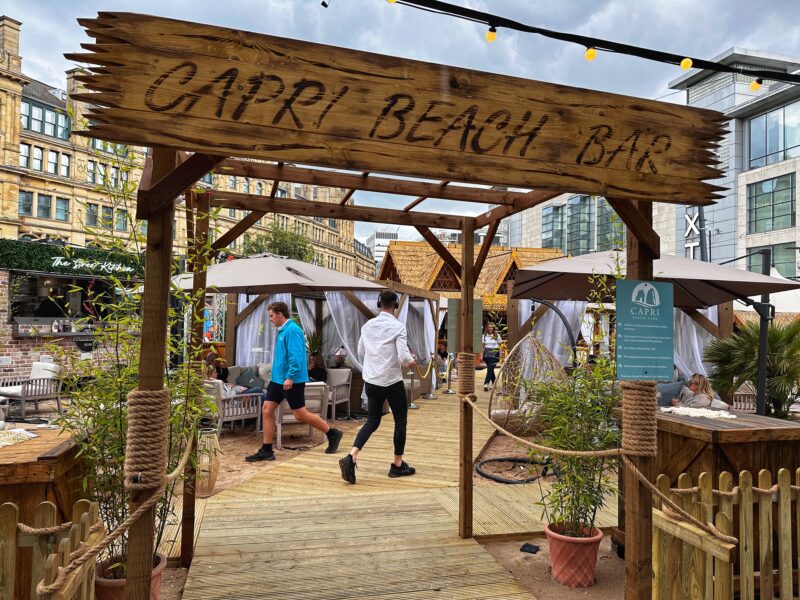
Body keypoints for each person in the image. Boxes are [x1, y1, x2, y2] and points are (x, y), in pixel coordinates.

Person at [246, 302, 343, 462]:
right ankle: (267, 450)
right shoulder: (283, 331)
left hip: (291, 380)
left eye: (271, 316)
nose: (270, 319)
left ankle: (332, 433)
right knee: (267, 409)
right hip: (277, 380)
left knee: (300, 414)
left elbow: (296, 357)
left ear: (280, 314)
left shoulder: (292, 330)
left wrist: (290, 376)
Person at [339, 291, 416, 484]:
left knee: (372, 421)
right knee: (400, 421)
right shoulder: (398, 327)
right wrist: (411, 362)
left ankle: (351, 456)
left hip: (371, 380)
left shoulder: (367, 326)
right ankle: (397, 465)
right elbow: (403, 356)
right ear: (395, 306)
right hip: (391, 381)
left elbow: (360, 351)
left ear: (379, 304)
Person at [481, 322, 502, 392]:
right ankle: (494, 383)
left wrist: (500, 354)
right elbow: (483, 346)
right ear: (487, 328)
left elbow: (500, 345)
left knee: (490, 368)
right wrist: (481, 355)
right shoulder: (484, 336)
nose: (490, 328)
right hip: (487, 353)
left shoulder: (497, 335)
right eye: (489, 327)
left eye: (492, 327)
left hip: (495, 353)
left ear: (494, 328)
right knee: (491, 369)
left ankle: (486, 383)